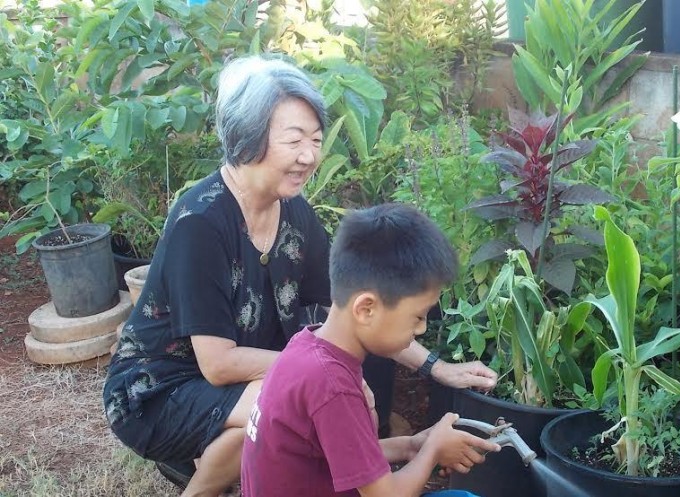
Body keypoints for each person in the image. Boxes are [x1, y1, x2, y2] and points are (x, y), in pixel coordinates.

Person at [103, 55, 496, 496]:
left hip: (250, 372)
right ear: (249, 138)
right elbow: (217, 365)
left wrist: (437, 368)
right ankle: (200, 484)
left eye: (316, 139)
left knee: (305, 401)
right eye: (293, 140)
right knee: (282, 410)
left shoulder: (293, 211)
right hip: (163, 388)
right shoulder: (201, 221)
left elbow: (358, 306)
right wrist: (329, 378)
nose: (309, 155)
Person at [241, 203, 500, 497]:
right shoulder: (331, 385)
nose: (422, 329)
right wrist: (433, 451)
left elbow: (338, 453)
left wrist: (412, 445)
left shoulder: (306, 347)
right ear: (366, 308)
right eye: (418, 316)